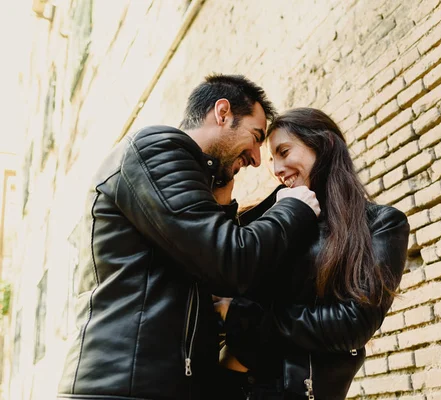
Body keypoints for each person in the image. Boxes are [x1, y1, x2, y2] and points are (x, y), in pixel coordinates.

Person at [57, 75, 321, 400]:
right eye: (255, 137)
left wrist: (221, 198)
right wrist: (293, 209)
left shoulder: (190, 178)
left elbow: (218, 276)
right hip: (125, 388)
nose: (255, 158)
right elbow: (232, 262)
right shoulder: (155, 147)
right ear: (222, 113)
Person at [214, 108, 410, 400]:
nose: (277, 169)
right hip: (227, 385)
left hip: (294, 390)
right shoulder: (272, 219)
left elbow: (354, 324)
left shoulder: (380, 224)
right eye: (272, 159)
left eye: (284, 151)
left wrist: (247, 313)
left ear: (324, 144)